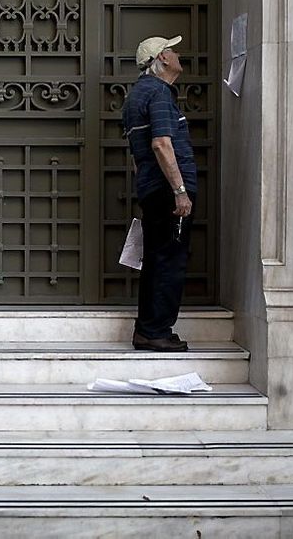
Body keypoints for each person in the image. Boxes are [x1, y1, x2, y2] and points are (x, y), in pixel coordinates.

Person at [121, 35, 197, 352]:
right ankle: (157, 331)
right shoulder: (159, 93)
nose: (179, 54)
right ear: (162, 58)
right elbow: (161, 144)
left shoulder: (136, 96)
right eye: (174, 50)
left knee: (155, 259)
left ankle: (147, 329)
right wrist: (179, 191)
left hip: (153, 189)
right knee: (169, 261)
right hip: (167, 191)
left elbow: (138, 158)